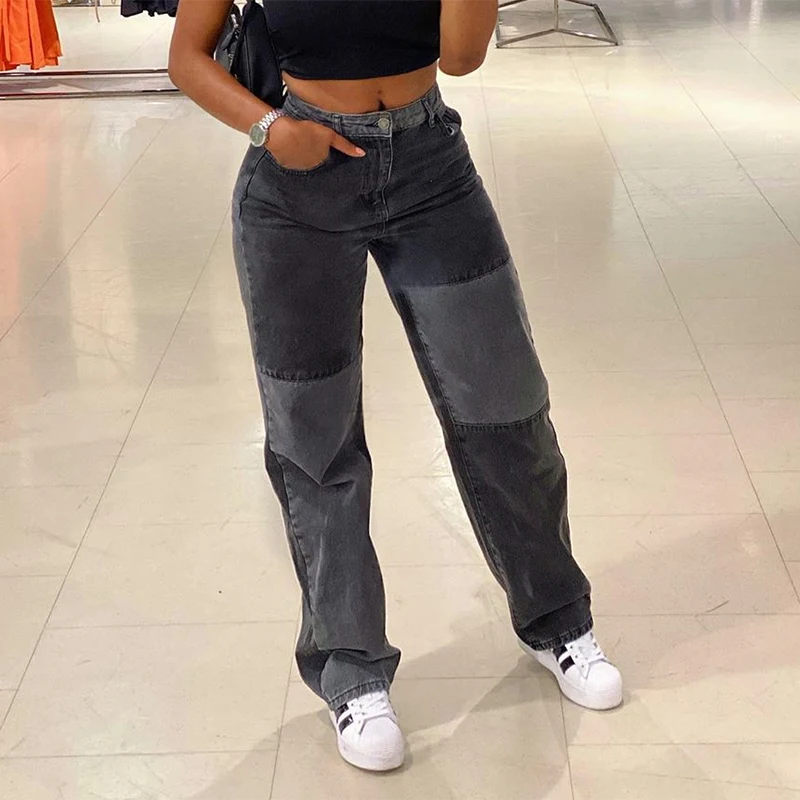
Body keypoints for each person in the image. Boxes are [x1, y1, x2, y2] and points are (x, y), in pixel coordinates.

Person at [168, 0, 623, 773]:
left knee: (505, 407)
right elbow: (188, 57)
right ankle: (351, 671)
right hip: (296, 186)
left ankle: (557, 619)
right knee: (315, 438)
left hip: (430, 167)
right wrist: (270, 129)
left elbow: (462, 56)